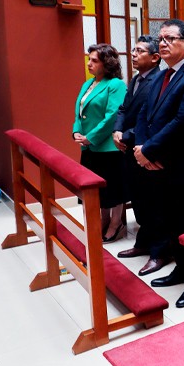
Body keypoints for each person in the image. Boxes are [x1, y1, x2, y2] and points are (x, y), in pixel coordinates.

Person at [135, 20, 184, 309]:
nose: (163, 43)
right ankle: (182, 268)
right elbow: (146, 113)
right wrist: (141, 148)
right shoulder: (161, 75)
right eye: (160, 39)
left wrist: (149, 150)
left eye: (169, 38)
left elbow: (182, 123)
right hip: (161, 164)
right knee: (171, 223)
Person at [113, 36, 164, 266]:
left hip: (147, 147)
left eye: (140, 51)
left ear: (154, 58)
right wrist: (116, 131)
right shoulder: (135, 80)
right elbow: (124, 109)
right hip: (129, 148)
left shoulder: (158, 81)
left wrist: (127, 135)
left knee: (153, 201)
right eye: (133, 49)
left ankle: (159, 250)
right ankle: (143, 242)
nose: (133, 54)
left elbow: (152, 118)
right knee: (138, 198)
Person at [73, 44, 128, 243]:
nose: (89, 63)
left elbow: (112, 116)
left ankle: (116, 224)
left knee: (112, 188)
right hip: (88, 146)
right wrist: (77, 131)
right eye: (89, 59)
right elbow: (79, 111)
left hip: (108, 147)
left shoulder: (116, 85)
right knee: (96, 190)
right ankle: (103, 220)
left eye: (94, 60)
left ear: (107, 63)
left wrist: (91, 136)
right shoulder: (87, 84)